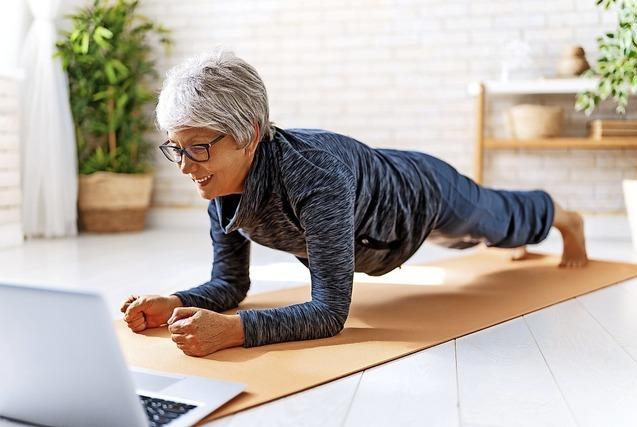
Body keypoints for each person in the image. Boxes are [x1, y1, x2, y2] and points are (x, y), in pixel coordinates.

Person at [121, 49, 588, 357]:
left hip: (423, 192)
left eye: (198, 148)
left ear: (248, 137)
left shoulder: (315, 178)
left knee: (499, 224)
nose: (185, 166)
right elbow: (230, 283)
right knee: (475, 241)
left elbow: (329, 314)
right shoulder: (218, 185)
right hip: (373, 209)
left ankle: (564, 217)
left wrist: (232, 332)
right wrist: (176, 301)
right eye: (176, 149)